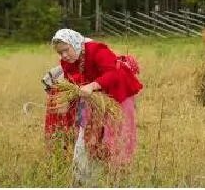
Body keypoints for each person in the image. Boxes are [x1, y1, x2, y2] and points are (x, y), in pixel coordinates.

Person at [42, 28, 142, 179]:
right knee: (89, 134)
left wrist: (92, 86)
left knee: (116, 134)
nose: (63, 55)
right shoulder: (67, 61)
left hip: (118, 93)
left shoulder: (96, 49)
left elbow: (112, 73)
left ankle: (118, 175)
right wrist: (66, 100)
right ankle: (86, 178)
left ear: (74, 43)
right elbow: (73, 81)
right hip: (94, 98)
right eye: (60, 52)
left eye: (66, 50)